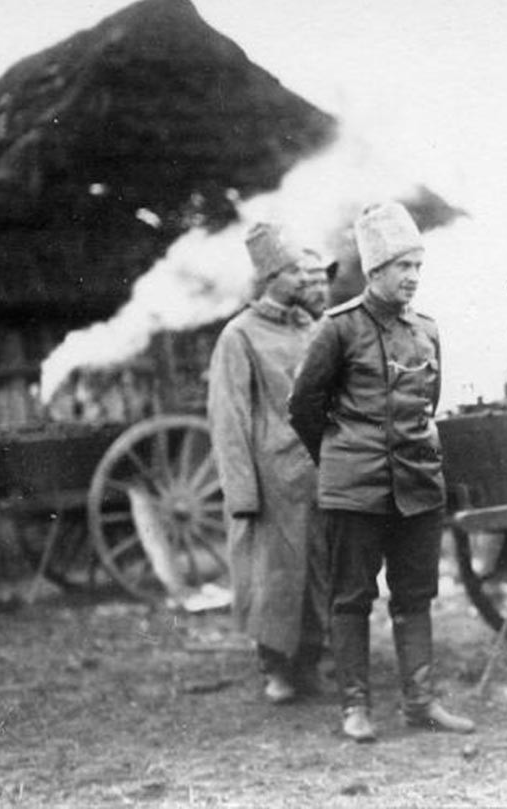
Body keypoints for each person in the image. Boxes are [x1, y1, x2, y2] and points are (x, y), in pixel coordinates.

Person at [289, 202, 474, 742]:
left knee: (415, 596)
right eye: (401, 267)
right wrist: (339, 461)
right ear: (374, 272)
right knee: (352, 598)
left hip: (417, 486)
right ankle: (355, 708)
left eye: (417, 266)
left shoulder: (427, 332)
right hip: (355, 490)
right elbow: (304, 406)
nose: (412, 277)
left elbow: (427, 404)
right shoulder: (338, 330)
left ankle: (420, 702)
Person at [206, 222, 331, 705]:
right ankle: (275, 668)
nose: (304, 280)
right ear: (269, 278)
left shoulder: (313, 329)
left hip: (319, 475)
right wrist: (242, 494)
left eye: (304, 271)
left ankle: (312, 663)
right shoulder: (238, 337)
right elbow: (228, 419)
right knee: (274, 580)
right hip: (271, 483)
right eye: (292, 272)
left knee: (320, 576)